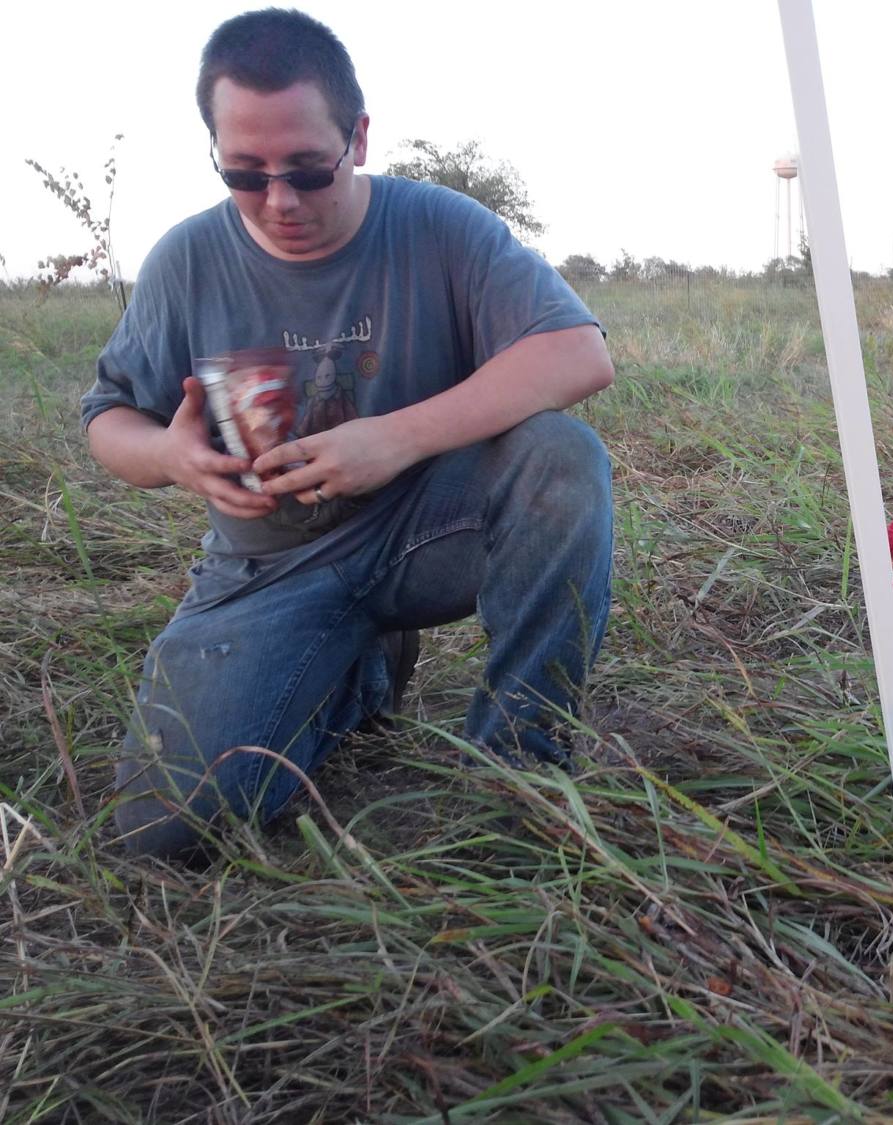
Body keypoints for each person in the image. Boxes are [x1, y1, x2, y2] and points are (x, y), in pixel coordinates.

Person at [81, 8, 615, 860]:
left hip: (426, 533)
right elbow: (108, 417)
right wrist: (168, 456)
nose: (279, 200)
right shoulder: (186, 260)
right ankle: (359, 669)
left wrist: (395, 438)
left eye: (307, 168)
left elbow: (579, 352)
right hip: (266, 568)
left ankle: (521, 769)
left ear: (358, 138)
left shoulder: (439, 225)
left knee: (563, 459)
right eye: (244, 173)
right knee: (166, 831)